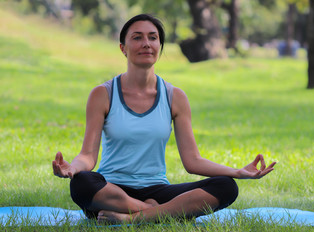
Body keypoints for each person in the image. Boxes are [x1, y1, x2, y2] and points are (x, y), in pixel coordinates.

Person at [52, 14, 276, 223]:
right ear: (123, 48)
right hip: (111, 189)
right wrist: (73, 168)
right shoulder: (103, 94)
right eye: (137, 38)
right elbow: (88, 155)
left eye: (153, 37)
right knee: (81, 183)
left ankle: (132, 218)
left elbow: (193, 161)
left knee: (226, 187)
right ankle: (156, 211)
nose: (146, 43)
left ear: (160, 46)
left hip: (157, 189)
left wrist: (237, 172)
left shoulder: (174, 96)